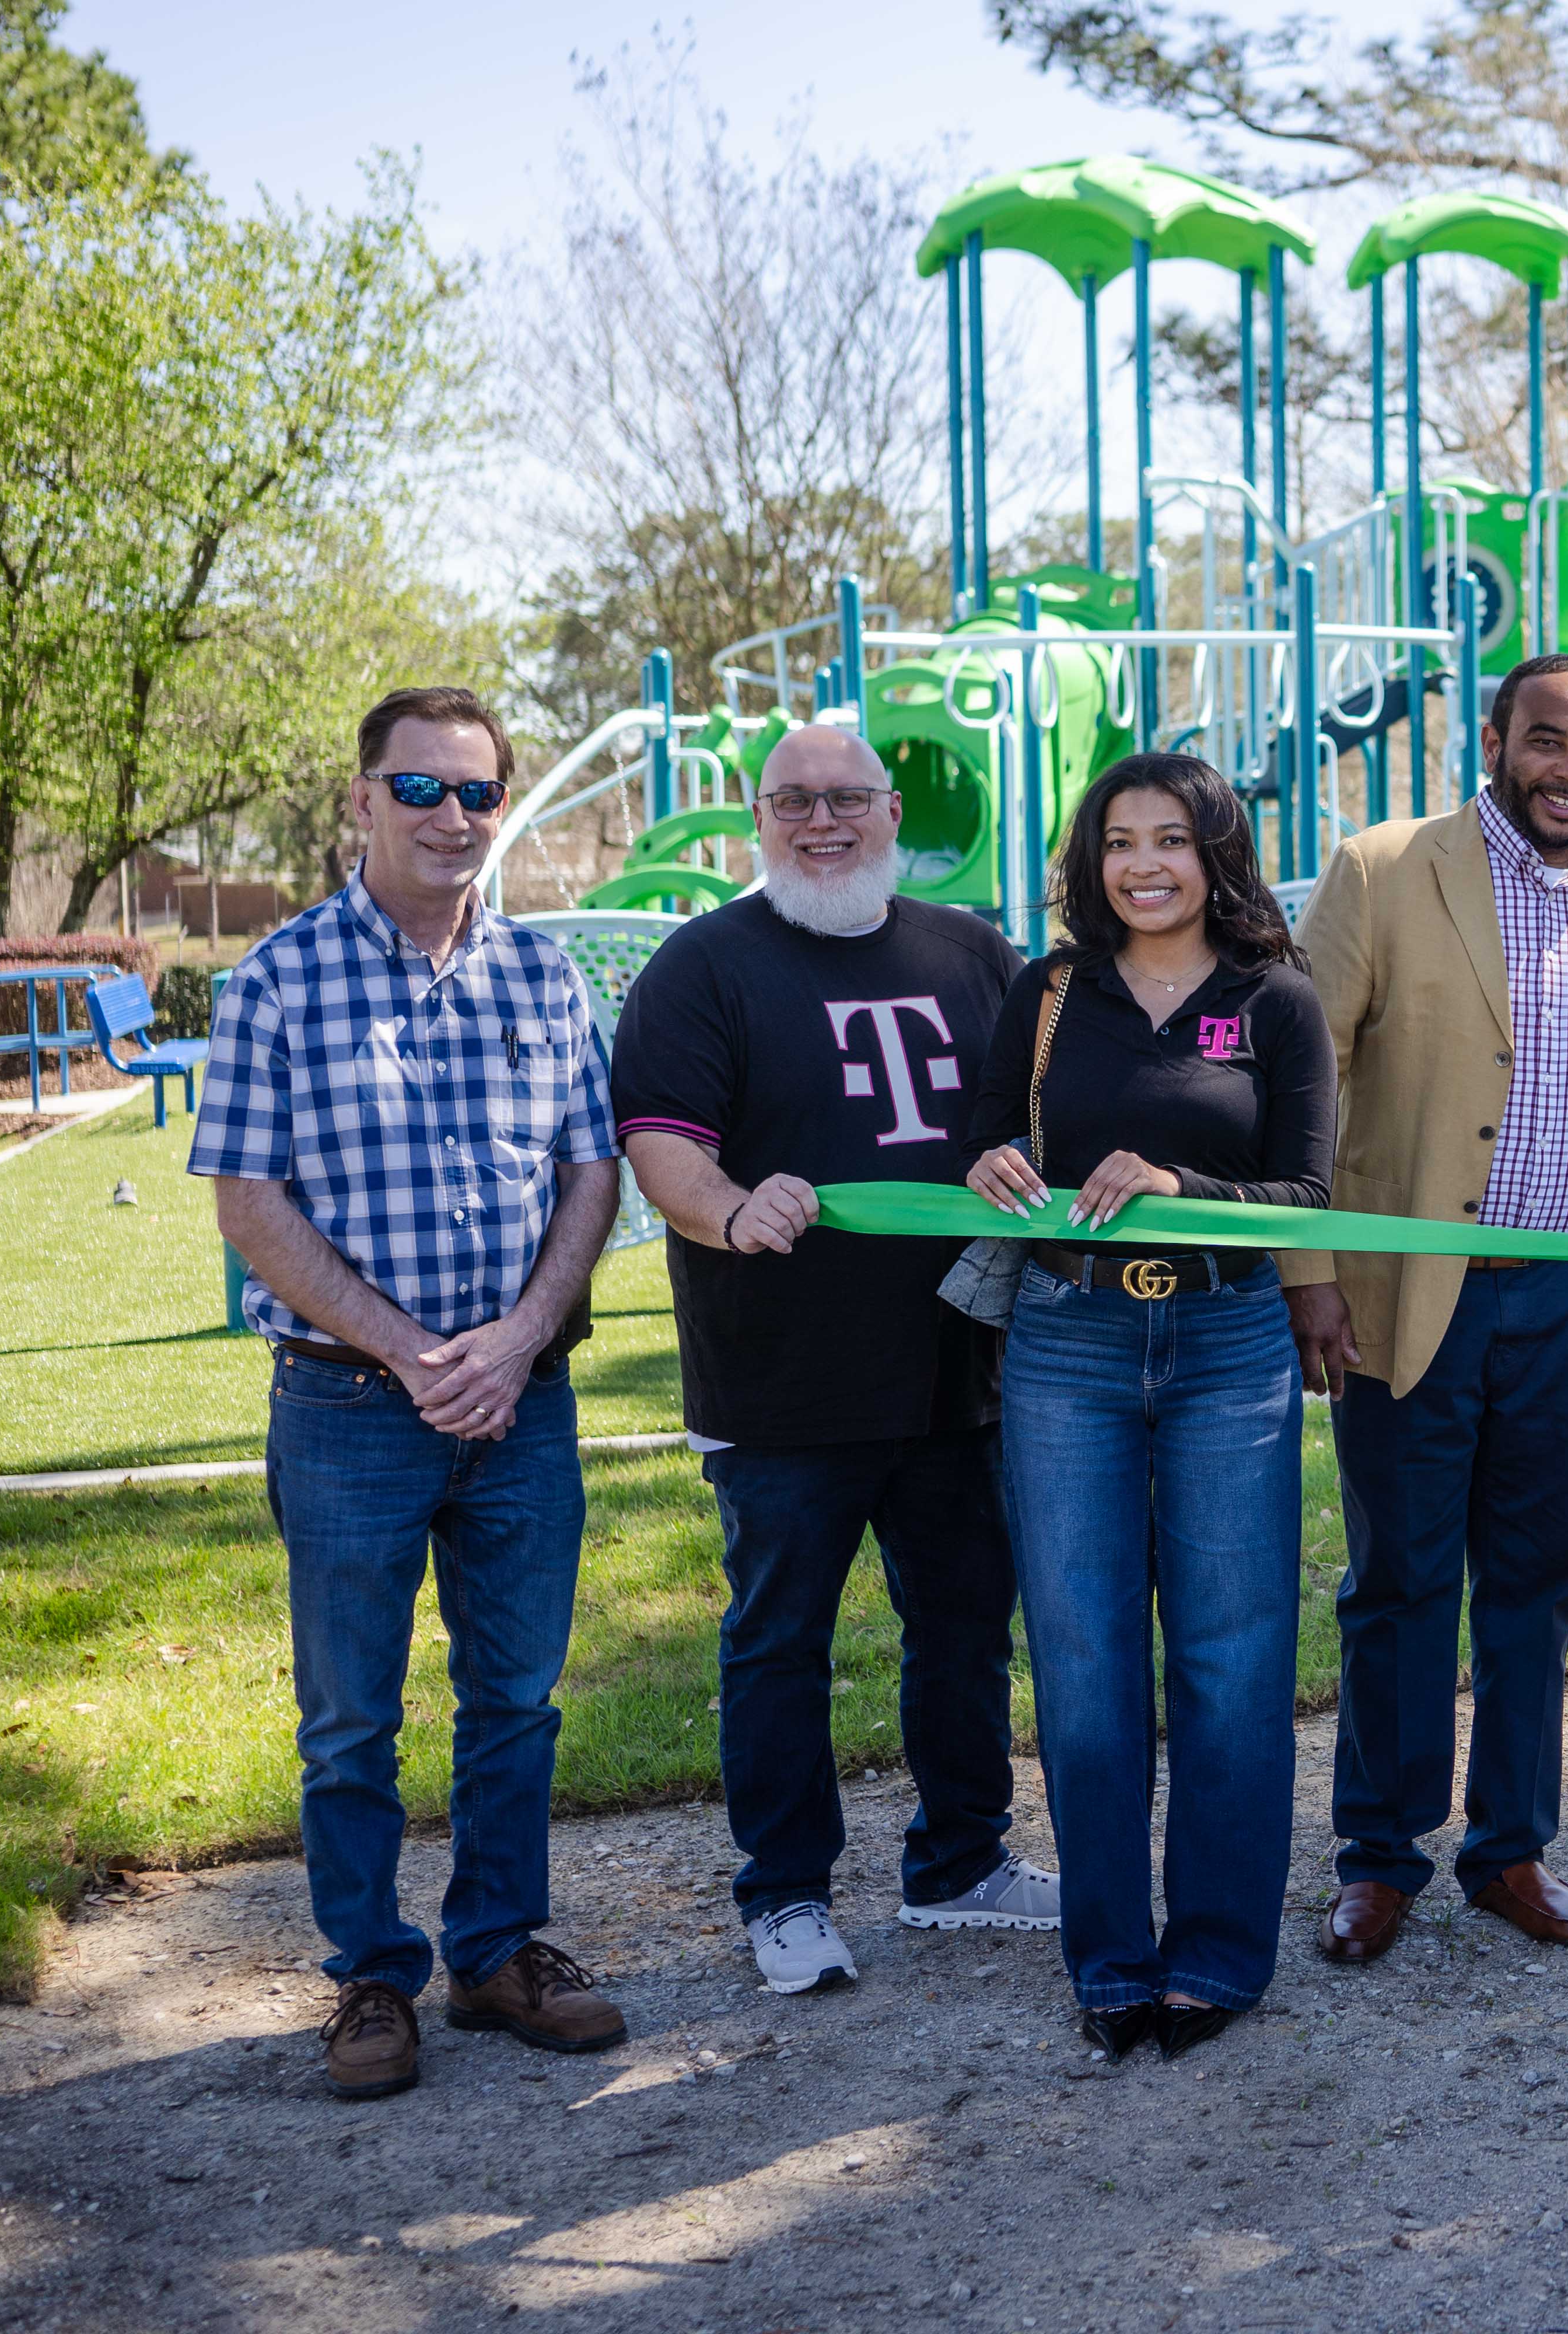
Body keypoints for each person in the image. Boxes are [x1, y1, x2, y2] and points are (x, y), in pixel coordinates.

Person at [192, 686, 625, 2101]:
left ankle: (498, 1949)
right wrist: (404, 1347)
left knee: (516, 1695)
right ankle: (370, 1976)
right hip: (346, 1410)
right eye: (422, 790)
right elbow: (248, 1203)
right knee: (349, 1717)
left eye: (478, 793)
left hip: (523, 1401)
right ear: (362, 803)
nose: (454, 817)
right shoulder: (276, 978)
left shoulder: (547, 977)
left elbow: (591, 1175)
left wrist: (517, 1338)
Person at [1287, 655, 1568, 1963]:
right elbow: (1299, 1084)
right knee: (1401, 1582)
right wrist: (1306, 1276)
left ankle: (1511, 1848)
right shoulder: (1381, 867)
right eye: (1548, 743)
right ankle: (1380, 1857)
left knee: (1538, 1585)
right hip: (1410, 1299)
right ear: (1498, 739)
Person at [611, 724, 1050, 2000]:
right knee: (778, 1640)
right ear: (756, 815)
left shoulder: (973, 951)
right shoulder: (703, 965)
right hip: (783, 1380)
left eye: (847, 797)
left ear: (891, 807)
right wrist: (729, 1208)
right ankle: (787, 1892)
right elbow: (664, 1144)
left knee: (966, 1628)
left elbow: (1042, 1112)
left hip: (957, 1369)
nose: (823, 820)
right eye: (794, 799)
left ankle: (962, 1861)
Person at [962, 753, 1332, 2060]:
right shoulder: (1051, 992)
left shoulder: (1276, 1000)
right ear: (1091, 860)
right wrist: (996, 1161)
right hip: (1069, 1339)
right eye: (1119, 841)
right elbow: (986, 1150)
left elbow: (1307, 1195)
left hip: (1231, 1337)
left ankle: (1220, 1954)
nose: (1144, 864)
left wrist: (1179, 1182)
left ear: (1217, 850)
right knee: (1084, 1660)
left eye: (1172, 838)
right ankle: (1111, 1955)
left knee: (1232, 1660)